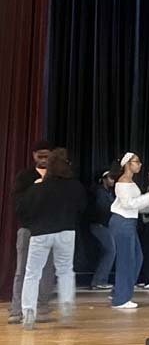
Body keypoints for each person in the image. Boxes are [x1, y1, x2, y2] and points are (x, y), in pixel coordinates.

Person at [16, 148, 87, 329]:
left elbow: (22, 211)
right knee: (65, 271)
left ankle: (28, 312)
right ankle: (66, 309)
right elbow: (83, 207)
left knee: (32, 274)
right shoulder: (75, 186)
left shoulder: (38, 187)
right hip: (66, 232)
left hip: (41, 233)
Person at [9, 140, 56, 325]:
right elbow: (18, 204)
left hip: (50, 229)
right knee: (22, 270)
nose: (43, 159)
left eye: (47, 155)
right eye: (40, 155)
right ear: (34, 155)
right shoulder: (25, 176)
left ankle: (42, 307)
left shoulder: (56, 177)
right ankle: (17, 310)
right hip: (28, 229)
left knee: (47, 270)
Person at [108, 152, 149, 309]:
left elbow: (137, 205)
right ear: (127, 164)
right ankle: (120, 299)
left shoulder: (130, 182)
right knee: (127, 261)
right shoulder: (122, 182)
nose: (140, 165)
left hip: (129, 223)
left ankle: (121, 293)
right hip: (122, 222)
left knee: (136, 259)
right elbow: (128, 204)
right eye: (136, 162)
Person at [88, 171, 116, 290]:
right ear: (103, 179)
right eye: (110, 178)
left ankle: (99, 280)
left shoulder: (107, 192)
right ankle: (99, 280)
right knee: (111, 251)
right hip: (99, 225)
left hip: (103, 225)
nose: (112, 181)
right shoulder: (100, 192)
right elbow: (103, 208)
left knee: (107, 251)